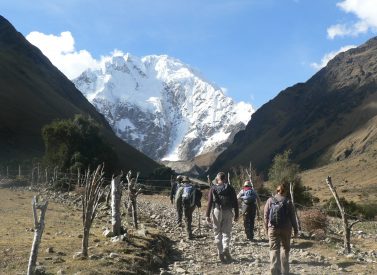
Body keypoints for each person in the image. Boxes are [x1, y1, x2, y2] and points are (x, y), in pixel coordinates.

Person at [264, 184, 299, 275]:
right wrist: (296, 230)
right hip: (286, 228)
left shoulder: (270, 200)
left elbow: (266, 216)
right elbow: (292, 217)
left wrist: (266, 228)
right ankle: (285, 272)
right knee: (285, 249)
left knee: (274, 249)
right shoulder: (288, 201)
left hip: (272, 228)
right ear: (285, 191)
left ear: (277, 191)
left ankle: (274, 271)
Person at [206, 172, 239, 263]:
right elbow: (235, 202)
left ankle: (220, 252)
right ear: (225, 179)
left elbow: (209, 202)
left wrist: (207, 215)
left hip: (217, 211)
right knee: (226, 232)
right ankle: (226, 248)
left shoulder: (213, 188)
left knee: (217, 232)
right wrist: (236, 214)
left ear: (217, 178)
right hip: (228, 211)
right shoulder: (230, 188)